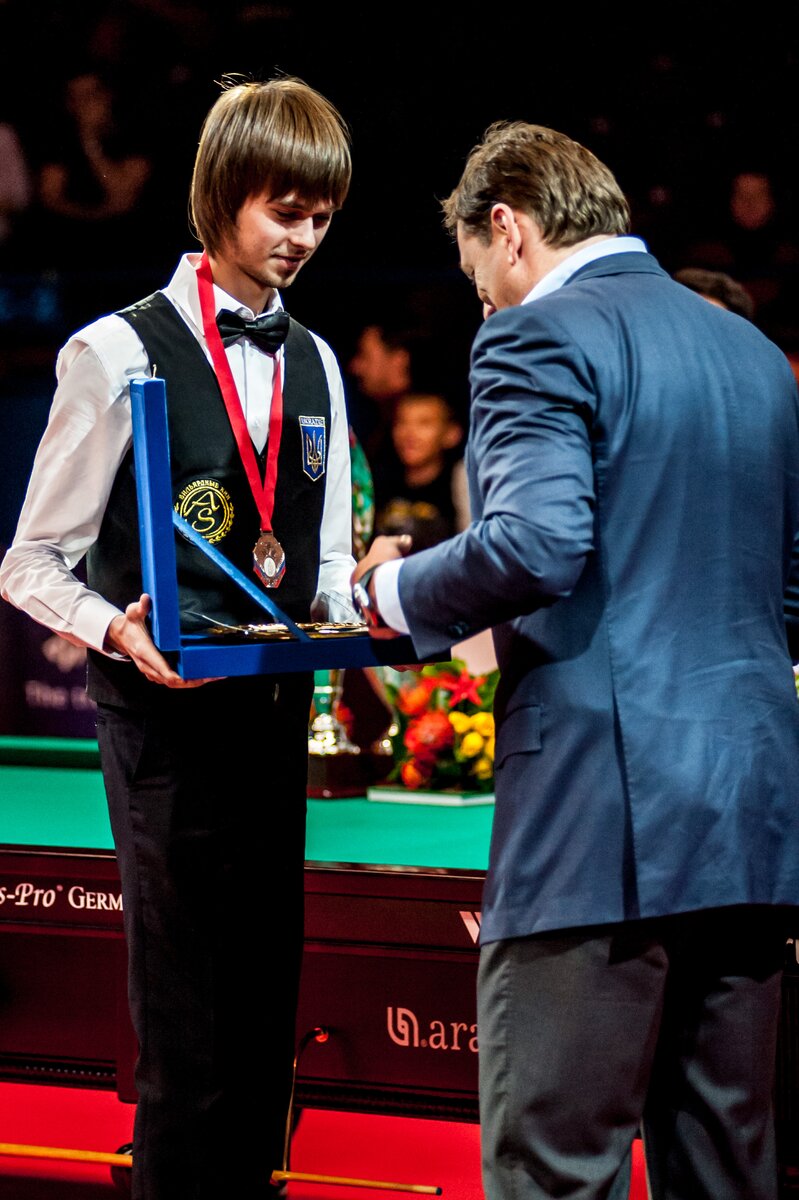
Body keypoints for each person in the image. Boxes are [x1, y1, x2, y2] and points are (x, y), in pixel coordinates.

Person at [352, 121, 799, 1200]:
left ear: (506, 227)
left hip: (596, 823)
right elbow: (783, 597)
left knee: (553, 1175)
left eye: (478, 279)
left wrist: (389, 592)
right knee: (726, 1174)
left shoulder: (533, 334)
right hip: (750, 816)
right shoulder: (751, 351)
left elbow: (535, 544)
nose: (484, 306)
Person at [1, 76, 355, 1199]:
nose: (304, 239)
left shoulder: (318, 361)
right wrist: (113, 629)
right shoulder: (115, 353)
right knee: (188, 1028)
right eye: (284, 212)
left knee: (262, 1019)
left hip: (274, 719)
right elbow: (29, 563)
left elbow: (326, 569)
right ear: (220, 194)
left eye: (322, 217)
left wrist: (368, 606)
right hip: (161, 726)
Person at [374, 392, 468, 551]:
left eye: (424, 423)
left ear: (452, 434)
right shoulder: (378, 481)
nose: (409, 434)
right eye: (402, 422)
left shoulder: (460, 486)